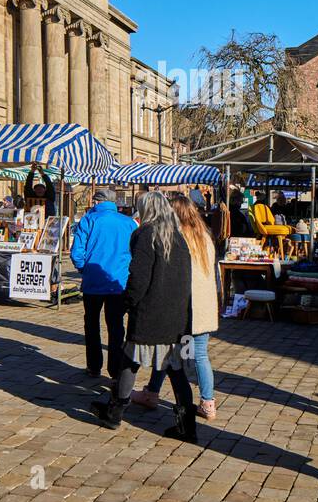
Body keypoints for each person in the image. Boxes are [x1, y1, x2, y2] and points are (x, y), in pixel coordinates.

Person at [88, 191, 198, 440]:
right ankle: (186, 425)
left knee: (130, 360)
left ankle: (115, 413)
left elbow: (138, 277)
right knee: (175, 369)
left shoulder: (147, 234)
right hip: (175, 314)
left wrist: (127, 302)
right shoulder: (178, 237)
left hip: (151, 312)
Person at [131, 192, 221, 419]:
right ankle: (207, 402)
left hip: (181, 305)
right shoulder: (205, 236)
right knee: (193, 354)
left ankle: (155, 393)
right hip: (204, 308)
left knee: (170, 353)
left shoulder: (177, 237)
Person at [71, 188, 137, 379]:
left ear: (98, 202)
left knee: (91, 324)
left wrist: (83, 268)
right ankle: (115, 370)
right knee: (116, 326)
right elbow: (135, 252)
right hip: (118, 281)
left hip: (93, 280)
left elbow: (77, 250)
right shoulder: (128, 223)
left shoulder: (89, 219)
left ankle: (94, 366)